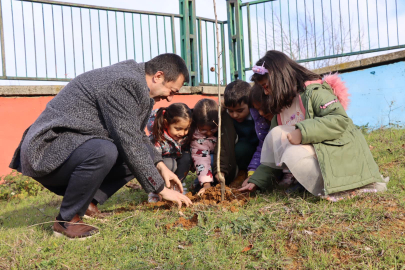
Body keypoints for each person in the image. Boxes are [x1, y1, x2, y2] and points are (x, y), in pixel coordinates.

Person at [9, 53, 193, 239]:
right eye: (172, 91)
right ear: (158, 76)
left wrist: (160, 166)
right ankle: (66, 221)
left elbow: (136, 135)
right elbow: (129, 142)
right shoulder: (124, 83)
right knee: (105, 150)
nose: (170, 99)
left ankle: (88, 203)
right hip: (48, 150)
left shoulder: (136, 84)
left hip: (74, 145)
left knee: (133, 152)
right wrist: (161, 189)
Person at [240, 50, 388, 200]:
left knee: (289, 147)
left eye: (266, 86)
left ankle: (339, 186)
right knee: (276, 135)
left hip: (339, 160)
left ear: (277, 78)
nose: (265, 93)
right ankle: (308, 185)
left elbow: (338, 119)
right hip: (320, 160)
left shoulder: (314, 92)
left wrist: (302, 132)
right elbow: (272, 150)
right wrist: (256, 180)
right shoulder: (280, 110)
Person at [213, 80, 259, 188]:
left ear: (251, 104)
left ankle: (246, 174)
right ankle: (239, 174)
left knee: (243, 149)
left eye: (240, 110)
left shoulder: (259, 116)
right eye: (231, 111)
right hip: (234, 157)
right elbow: (223, 145)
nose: (235, 115)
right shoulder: (225, 118)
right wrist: (220, 171)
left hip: (257, 154)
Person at [146, 103, 193, 202]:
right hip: (162, 164)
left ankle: (177, 185)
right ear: (166, 123)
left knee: (187, 157)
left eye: (186, 129)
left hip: (177, 160)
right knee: (170, 163)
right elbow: (153, 160)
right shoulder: (158, 136)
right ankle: (156, 190)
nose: (182, 133)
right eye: (178, 129)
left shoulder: (185, 136)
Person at [240, 84, 274, 188]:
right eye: (257, 109)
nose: (261, 112)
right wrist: (252, 174)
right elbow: (263, 148)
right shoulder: (262, 123)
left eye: (264, 108)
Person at [190, 99, 218, 195]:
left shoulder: (223, 128)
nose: (209, 133)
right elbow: (202, 160)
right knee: (211, 158)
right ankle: (201, 182)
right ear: (196, 124)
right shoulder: (197, 138)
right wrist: (206, 184)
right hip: (205, 160)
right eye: (204, 130)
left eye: (213, 128)